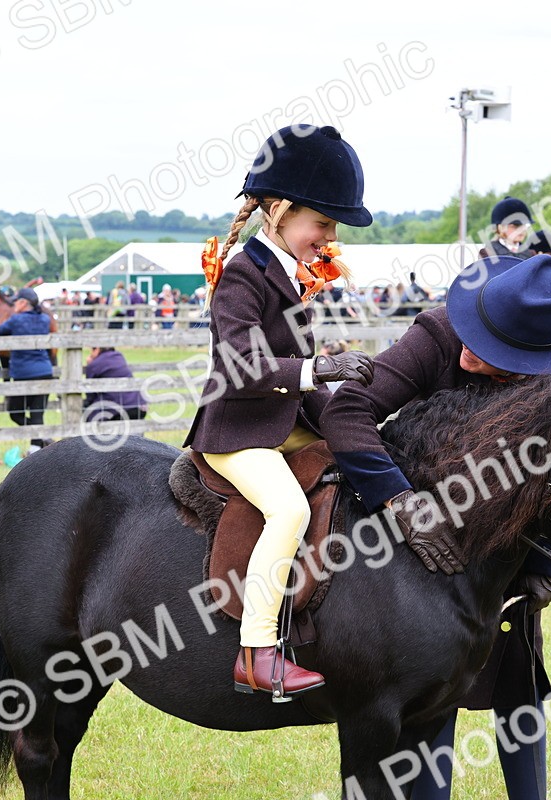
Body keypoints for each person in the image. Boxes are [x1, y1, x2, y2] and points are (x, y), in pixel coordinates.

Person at [322, 254, 551, 800]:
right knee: (430, 689)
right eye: (474, 333)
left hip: (509, 551)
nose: (468, 349)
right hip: (426, 551)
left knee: (518, 680)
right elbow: (346, 412)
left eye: (491, 351)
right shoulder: (436, 335)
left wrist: (541, 564)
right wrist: (401, 502)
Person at [183, 124, 376, 700]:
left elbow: (303, 381)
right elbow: (243, 364)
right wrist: (322, 368)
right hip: (236, 432)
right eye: (324, 224)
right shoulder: (243, 275)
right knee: (288, 510)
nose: (330, 238)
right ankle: (257, 652)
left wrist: (353, 413)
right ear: (280, 212)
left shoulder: (292, 277)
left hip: (281, 425)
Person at [0, 288, 54, 444]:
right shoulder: (44, 319)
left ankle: (40, 441)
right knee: (37, 414)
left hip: (24, 373)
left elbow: (1, 330)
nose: (14, 304)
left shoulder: (16, 320)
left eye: (16, 301)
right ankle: (39, 443)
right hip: (44, 371)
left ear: (23, 303)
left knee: (15, 412)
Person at [83, 347, 147, 421]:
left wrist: (90, 365)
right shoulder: (119, 356)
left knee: (89, 414)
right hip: (139, 405)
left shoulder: (94, 364)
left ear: (97, 349)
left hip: (120, 409)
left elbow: (90, 395)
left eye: (91, 350)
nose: (90, 353)